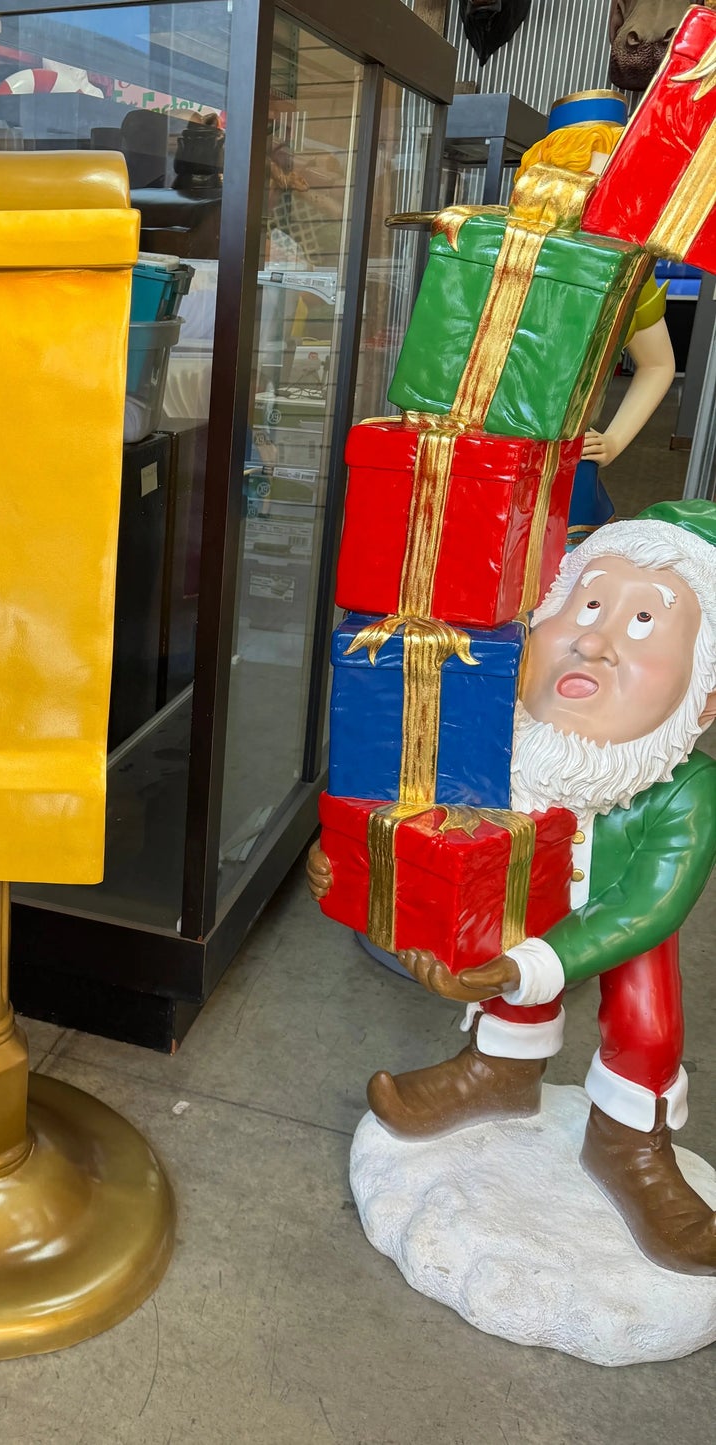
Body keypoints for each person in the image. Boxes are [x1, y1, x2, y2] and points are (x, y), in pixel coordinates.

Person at [309, 501, 716, 1274]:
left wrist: (532, 962)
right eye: (586, 604)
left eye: (640, 625)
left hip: (612, 926)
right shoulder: (507, 744)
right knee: (501, 904)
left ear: (702, 699)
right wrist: (351, 864)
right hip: (523, 905)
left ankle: (629, 1136)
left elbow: (642, 906)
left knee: (645, 997)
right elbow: (420, 818)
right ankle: (499, 1068)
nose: (592, 639)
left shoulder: (683, 791)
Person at [516, 91, 677, 548]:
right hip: (491, 450)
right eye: (584, 178)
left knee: (564, 579)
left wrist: (614, 442)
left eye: (609, 179)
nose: (595, 193)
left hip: (570, 460)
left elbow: (659, 364)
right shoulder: (502, 258)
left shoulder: (628, 276)